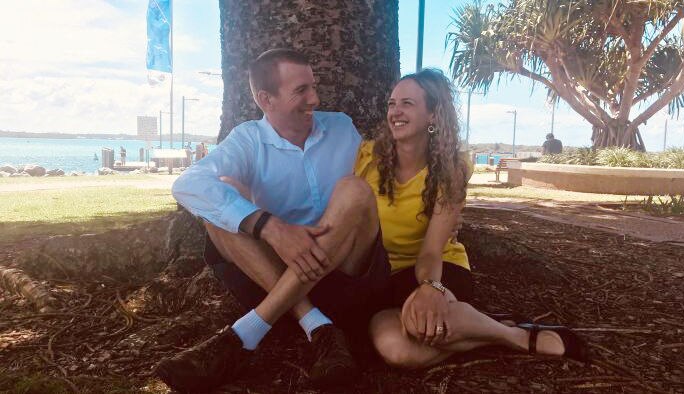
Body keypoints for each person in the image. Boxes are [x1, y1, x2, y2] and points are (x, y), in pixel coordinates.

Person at [157, 49, 390, 392]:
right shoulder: (248, 139)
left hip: (348, 275)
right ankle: (318, 326)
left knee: (354, 189)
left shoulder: (341, 126)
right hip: (277, 272)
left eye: (313, 86)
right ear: (266, 99)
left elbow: (382, 183)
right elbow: (187, 185)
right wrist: (270, 227)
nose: (315, 98)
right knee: (219, 199)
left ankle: (245, 333)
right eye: (301, 91)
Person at [355, 68, 588, 369]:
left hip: (437, 268)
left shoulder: (451, 169)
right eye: (391, 103)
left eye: (407, 104)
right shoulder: (366, 157)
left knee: (419, 327)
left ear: (433, 116)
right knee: (396, 350)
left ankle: (504, 334)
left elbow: (431, 250)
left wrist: (430, 287)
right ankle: (504, 334)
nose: (395, 112)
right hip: (383, 277)